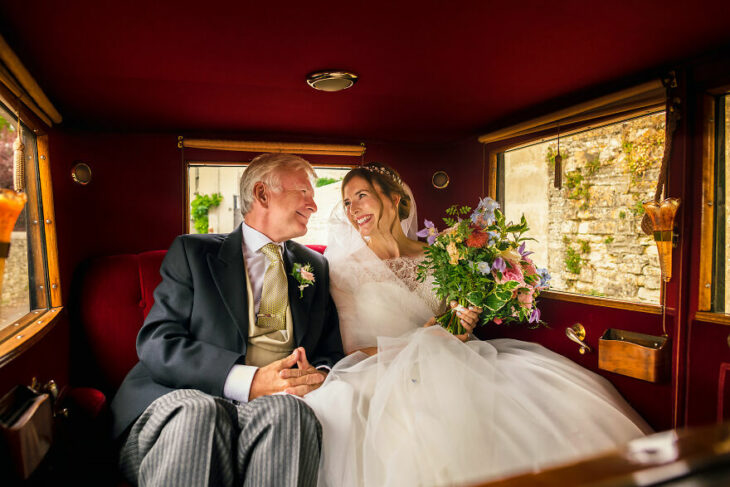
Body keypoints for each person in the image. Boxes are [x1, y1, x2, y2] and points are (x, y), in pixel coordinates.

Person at [302, 163, 652, 487]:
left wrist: (461, 323)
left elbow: (455, 322)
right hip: (380, 369)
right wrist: (424, 339)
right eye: (347, 202)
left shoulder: (441, 255)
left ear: (393, 198)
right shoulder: (341, 267)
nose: (353, 209)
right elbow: (350, 350)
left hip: (457, 357)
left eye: (361, 195)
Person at [110, 153, 344, 487]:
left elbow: (329, 352)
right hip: (186, 399)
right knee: (200, 414)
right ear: (262, 194)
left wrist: (315, 376)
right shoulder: (193, 254)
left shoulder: (315, 267)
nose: (313, 205)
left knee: (294, 417)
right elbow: (158, 342)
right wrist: (249, 381)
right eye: (304, 193)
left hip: (274, 408)